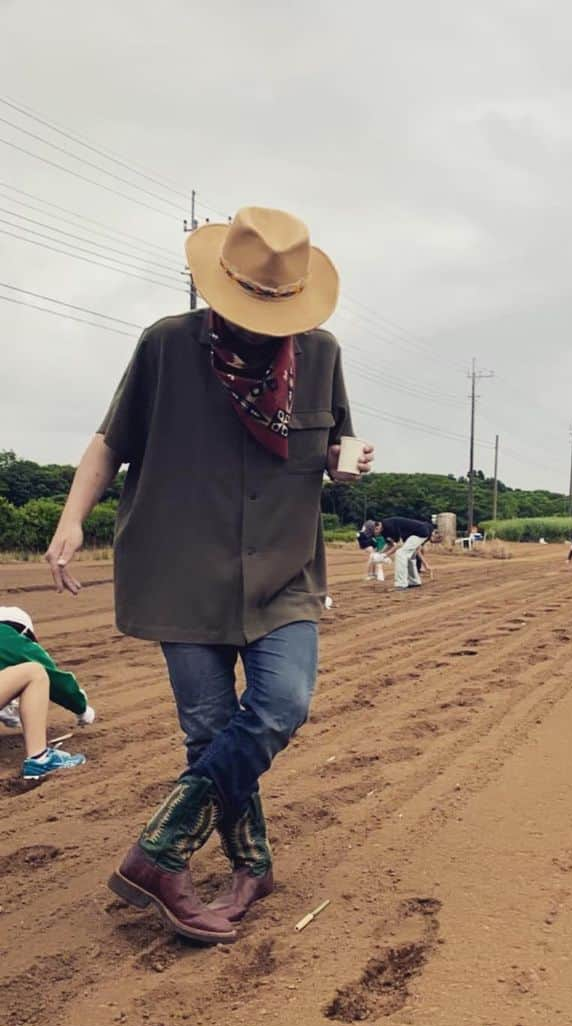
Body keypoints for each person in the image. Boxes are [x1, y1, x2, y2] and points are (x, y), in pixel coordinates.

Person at [46, 207, 371, 945]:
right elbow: (110, 442)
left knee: (282, 703)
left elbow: (334, 444)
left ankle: (157, 852)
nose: (261, 323)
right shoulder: (166, 345)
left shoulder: (319, 354)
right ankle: (250, 863)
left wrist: (342, 463)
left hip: (284, 569)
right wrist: (73, 519)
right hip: (179, 565)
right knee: (210, 730)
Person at [0, 606, 93, 779]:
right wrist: (83, 709)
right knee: (35, 672)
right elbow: (59, 684)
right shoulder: (10, 636)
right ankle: (40, 759)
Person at [359, 518, 440, 590]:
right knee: (408, 556)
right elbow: (389, 544)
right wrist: (380, 553)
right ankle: (414, 581)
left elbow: (399, 544)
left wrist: (385, 555)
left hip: (420, 532)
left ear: (376, 527)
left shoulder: (389, 526)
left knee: (400, 553)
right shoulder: (383, 530)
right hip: (412, 535)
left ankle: (401, 584)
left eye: (373, 533)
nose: (374, 535)